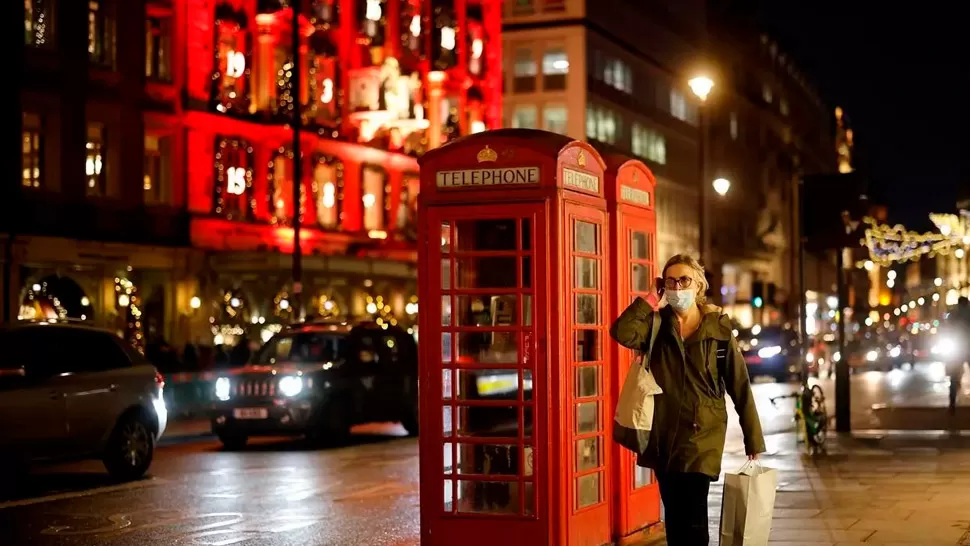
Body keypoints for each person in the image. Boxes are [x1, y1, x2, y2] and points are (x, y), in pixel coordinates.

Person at [610, 254, 766, 546]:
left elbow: (739, 384)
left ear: (698, 286)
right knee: (675, 517)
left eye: (684, 280)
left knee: (693, 515)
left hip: (702, 435)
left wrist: (752, 438)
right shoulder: (656, 325)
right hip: (663, 434)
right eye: (670, 281)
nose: (677, 287)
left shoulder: (717, 329)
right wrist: (647, 300)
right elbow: (621, 332)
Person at [946, 297, 970, 415]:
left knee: (954, 377)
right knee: (954, 377)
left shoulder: (953, 314)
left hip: (958, 347)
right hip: (967, 347)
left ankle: (952, 404)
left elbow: (948, 329)